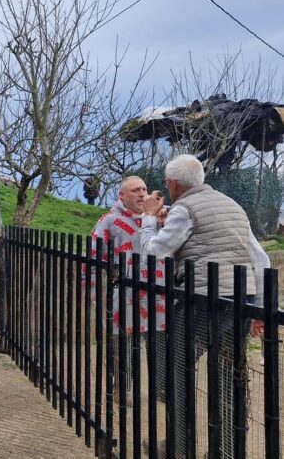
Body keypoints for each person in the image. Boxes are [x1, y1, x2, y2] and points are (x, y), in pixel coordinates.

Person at [140, 154, 268, 458]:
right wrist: (260, 308)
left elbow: (153, 253)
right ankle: (225, 450)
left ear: (172, 184)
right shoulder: (232, 205)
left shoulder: (185, 208)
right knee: (228, 376)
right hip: (239, 302)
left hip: (201, 303)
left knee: (177, 370)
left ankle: (178, 447)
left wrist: (147, 219)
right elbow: (260, 259)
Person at [88, 176, 166, 402]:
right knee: (125, 347)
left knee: (159, 346)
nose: (142, 194)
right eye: (135, 190)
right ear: (121, 196)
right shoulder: (110, 221)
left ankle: (161, 389)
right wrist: (94, 291)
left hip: (159, 294)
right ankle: (123, 390)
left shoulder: (163, 216)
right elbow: (94, 257)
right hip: (125, 296)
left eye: (144, 189)